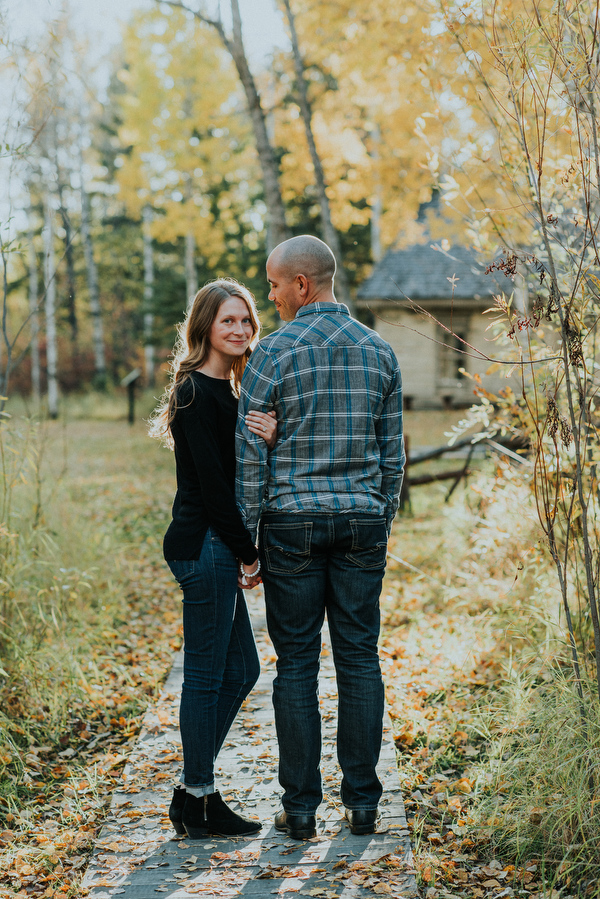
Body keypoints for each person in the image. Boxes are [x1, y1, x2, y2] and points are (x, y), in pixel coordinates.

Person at [236, 236, 404, 841]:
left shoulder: (272, 353)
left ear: (302, 284)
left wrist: (248, 540)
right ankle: (363, 805)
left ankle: (301, 809)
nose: (271, 294)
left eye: (275, 283)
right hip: (361, 520)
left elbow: (251, 456)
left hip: (292, 524)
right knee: (359, 656)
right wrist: (378, 518)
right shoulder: (379, 350)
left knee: (298, 664)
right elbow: (393, 456)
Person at [149, 279, 276, 839]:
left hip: (215, 546)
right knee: (204, 676)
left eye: (247, 321)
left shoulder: (229, 392)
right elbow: (216, 489)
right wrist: (250, 554)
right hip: (205, 547)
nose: (241, 330)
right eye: (229, 321)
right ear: (204, 326)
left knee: (242, 669)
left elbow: (244, 467)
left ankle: (192, 789)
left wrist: (268, 436)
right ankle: (198, 797)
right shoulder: (197, 393)